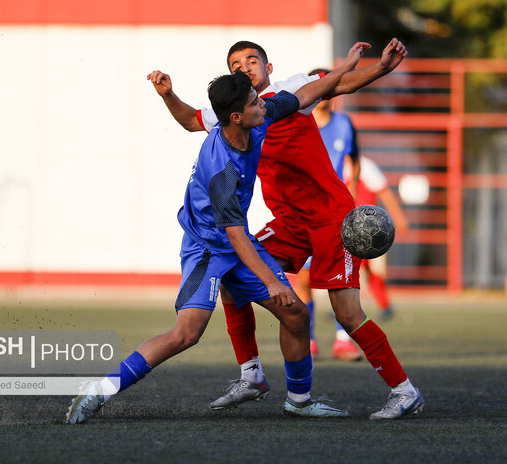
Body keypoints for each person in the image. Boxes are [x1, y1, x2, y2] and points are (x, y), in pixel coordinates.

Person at [66, 44, 367, 424]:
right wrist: (270, 281)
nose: (266, 105)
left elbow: (305, 94)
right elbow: (237, 238)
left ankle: (299, 400)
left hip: (234, 239)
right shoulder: (222, 172)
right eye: (258, 104)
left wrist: (343, 70)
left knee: (294, 313)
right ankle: (100, 390)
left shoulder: (251, 118)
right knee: (186, 334)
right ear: (238, 117)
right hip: (209, 248)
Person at [149, 38, 425, 420]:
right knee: (231, 274)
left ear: (268, 67)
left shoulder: (290, 91)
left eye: (252, 60)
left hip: (331, 219)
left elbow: (339, 84)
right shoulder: (232, 111)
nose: (245, 66)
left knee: (346, 314)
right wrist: (168, 93)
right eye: (236, 63)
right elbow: (187, 119)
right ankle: (251, 375)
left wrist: (380, 68)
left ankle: (403, 390)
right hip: (291, 223)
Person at [297, 71, 363, 361]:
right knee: (304, 278)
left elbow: (355, 160)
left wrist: (351, 194)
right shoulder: (298, 124)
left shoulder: (345, 124)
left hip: (337, 212)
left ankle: (342, 341)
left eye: (332, 86)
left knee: (341, 276)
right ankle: (308, 339)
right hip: (305, 211)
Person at [345, 155, 409, 320]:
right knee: (349, 267)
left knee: (373, 269)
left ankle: (384, 304)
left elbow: (384, 192)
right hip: (349, 227)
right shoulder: (333, 162)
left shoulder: (365, 166)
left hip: (370, 227)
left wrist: (398, 217)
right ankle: (344, 305)